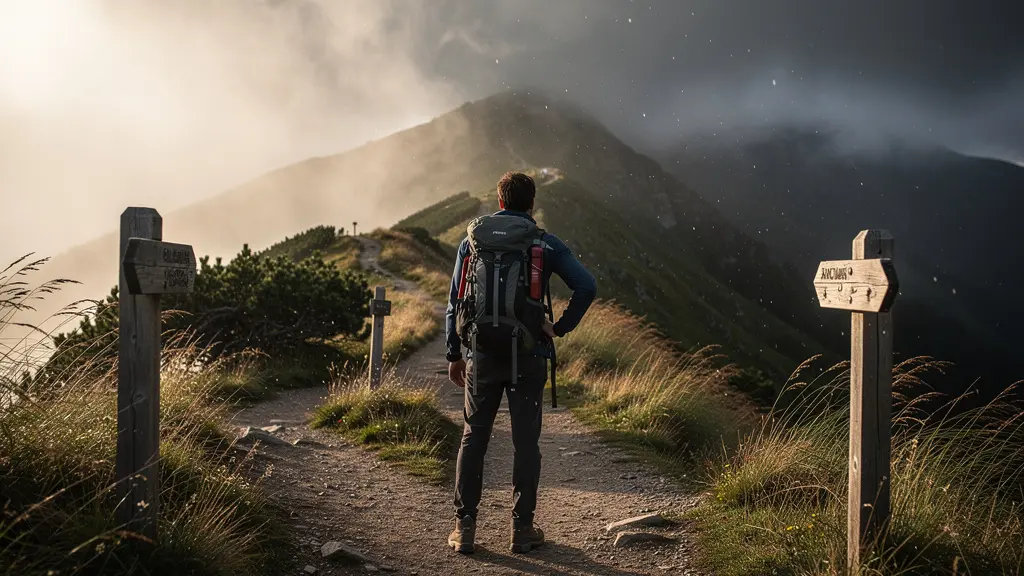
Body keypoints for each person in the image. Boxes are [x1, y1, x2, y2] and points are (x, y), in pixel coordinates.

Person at [445, 171, 597, 554]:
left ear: (499, 202)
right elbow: (586, 286)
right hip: (528, 355)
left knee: (473, 436)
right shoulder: (544, 243)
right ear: (531, 204)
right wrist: (557, 328)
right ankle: (522, 529)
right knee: (525, 442)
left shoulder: (471, 241)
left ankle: (464, 527)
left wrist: (453, 354)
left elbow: (455, 301)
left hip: (480, 354)